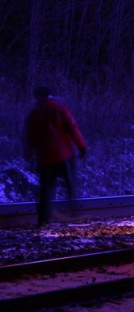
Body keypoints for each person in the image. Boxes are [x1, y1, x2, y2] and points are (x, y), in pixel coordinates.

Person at [23, 86, 88, 227]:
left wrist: (29, 153)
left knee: (45, 190)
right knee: (70, 185)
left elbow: (29, 136)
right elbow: (72, 128)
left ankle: (43, 220)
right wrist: (82, 147)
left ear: (37, 97)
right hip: (64, 155)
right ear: (51, 96)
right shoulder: (60, 109)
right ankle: (74, 213)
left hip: (44, 157)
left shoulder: (34, 114)